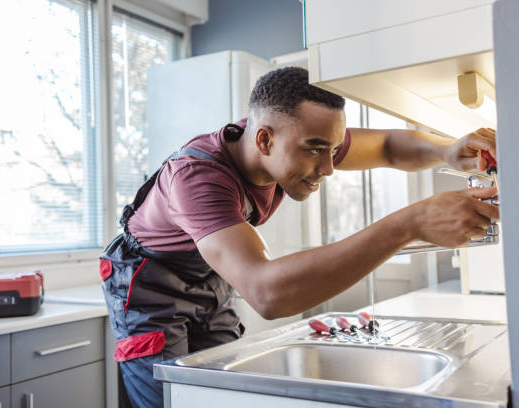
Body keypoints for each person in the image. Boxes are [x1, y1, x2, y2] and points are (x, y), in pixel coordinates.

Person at [100, 67, 498, 407]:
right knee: (173, 396)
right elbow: (267, 292)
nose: (328, 167)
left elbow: (391, 147)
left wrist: (446, 150)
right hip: (149, 291)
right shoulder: (197, 179)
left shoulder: (295, 137)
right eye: (315, 150)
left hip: (210, 282)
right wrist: (408, 223)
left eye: (335, 149)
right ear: (264, 140)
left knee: (220, 391)